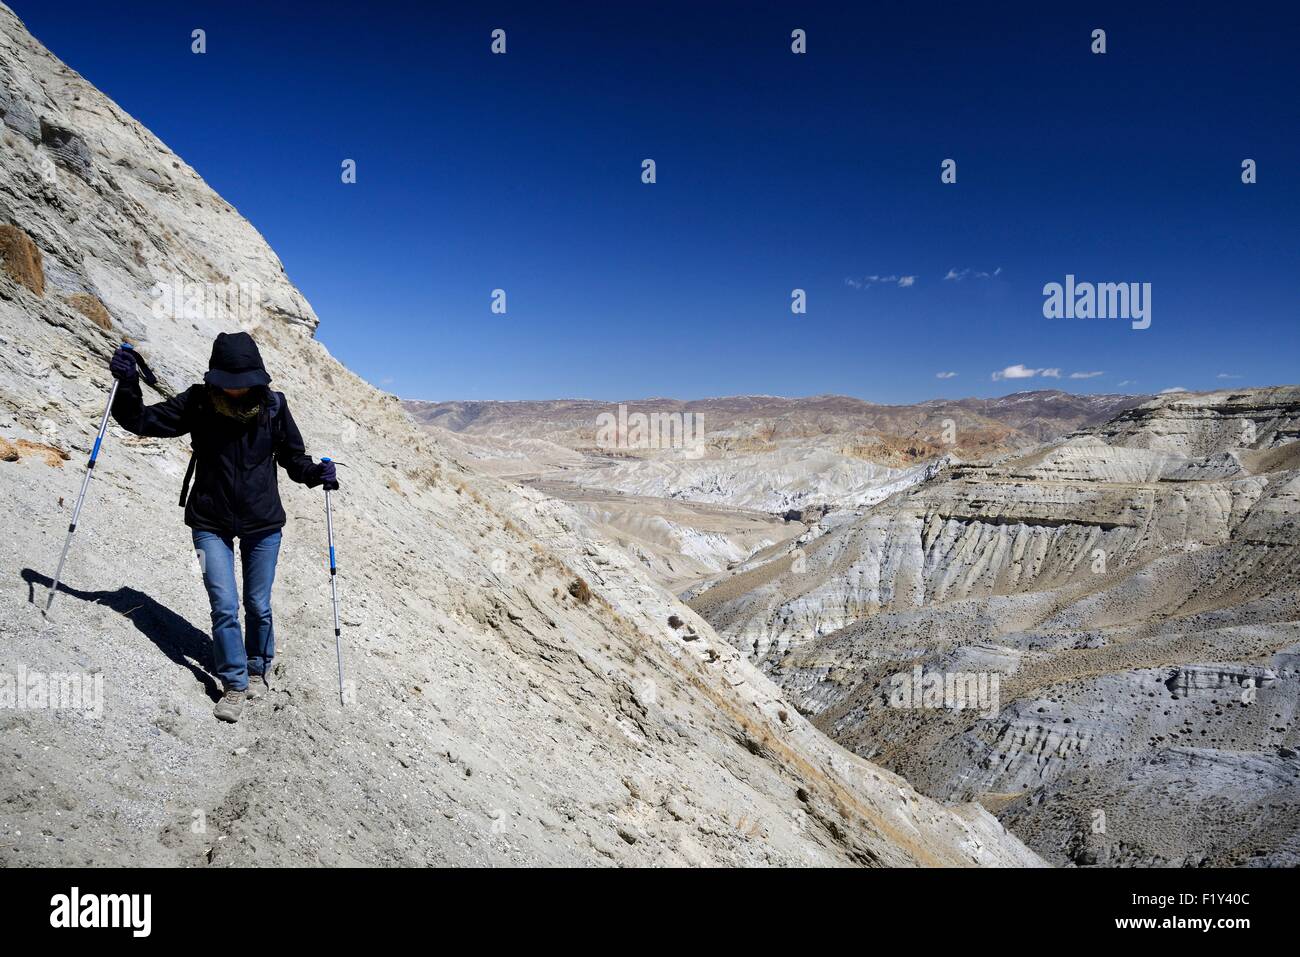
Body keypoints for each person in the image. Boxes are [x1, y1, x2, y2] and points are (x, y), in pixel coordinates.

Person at [109, 331, 338, 723]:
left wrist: (317, 473)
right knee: (224, 606)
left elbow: (293, 457)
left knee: (258, 604)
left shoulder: (274, 407)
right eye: (230, 384)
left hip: (263, 522)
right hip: (209, 520)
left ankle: (257, 667)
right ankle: (235, 683)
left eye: (245, 382)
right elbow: (140, 421)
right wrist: (127, 384)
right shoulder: (198, 402)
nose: (237, 391)